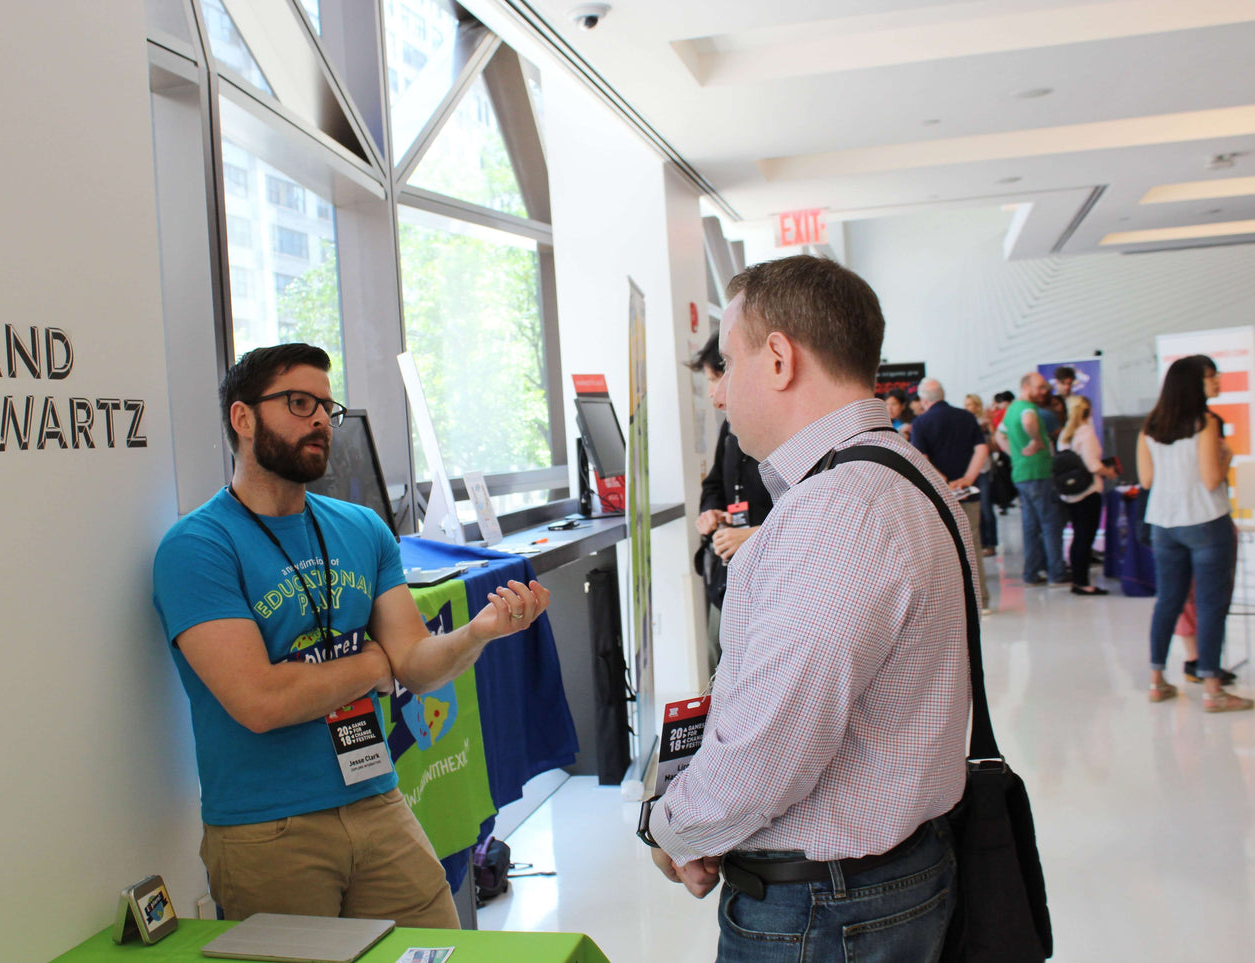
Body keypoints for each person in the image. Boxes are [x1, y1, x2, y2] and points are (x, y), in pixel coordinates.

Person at [151, 343, 551, 923]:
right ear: (242, 419)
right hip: (268, 828)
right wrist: (369, 667)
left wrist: (478, 632)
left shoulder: (360, 528)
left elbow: (412, 660)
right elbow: (260, 702)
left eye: (326, 407)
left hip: (376, 798)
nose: (320, 419)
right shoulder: (198, 548)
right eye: (298, 402)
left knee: (442, 945)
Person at [644, 255, 968, 963]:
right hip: (891, 879)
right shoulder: (910, 475)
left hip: (826, 911)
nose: (721, 394)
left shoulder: (839, 509)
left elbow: (773, 743)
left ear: (781, 357)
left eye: (728, 364)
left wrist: (676, 827)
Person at [1138, 355, 1252, 712]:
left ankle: (1157, 682)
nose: (1217, 381)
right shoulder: (1205, 423)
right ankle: (1213, 689)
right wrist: (1228, 457)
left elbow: (1146, 481)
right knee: (1210, 606)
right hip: (1205, 520)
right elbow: (1211, 478)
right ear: (1192, 384)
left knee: (1168, 602)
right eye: (1210, 376)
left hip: (1163, 523)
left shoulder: (1150, 427)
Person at [688, 333, 773, 676]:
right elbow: (713, 485)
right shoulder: (730, 428)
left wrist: (753, 534)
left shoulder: (779, 431)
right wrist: (710, 512)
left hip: (768, 580)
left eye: (713, 379)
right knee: (718, 666)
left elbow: (806, 512)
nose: (712, 392)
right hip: (726, 575)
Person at [910, 379, 992, 611]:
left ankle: (953, 607)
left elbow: (921, 458)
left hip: (939, 498)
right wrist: (967, 478)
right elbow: (982, 448)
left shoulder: (921, 422)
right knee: (973, 545)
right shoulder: (967, 417)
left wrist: (944, 481)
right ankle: (981, 601)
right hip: (969, 493)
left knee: (943, 551)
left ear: (924, 401)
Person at [997, 372, 1068, 587]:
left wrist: (1015, 455)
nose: (1044, 391)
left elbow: (999, 436)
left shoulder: (1011, 410)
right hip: (1037, 472)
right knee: (1050, 523)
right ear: (1026, 387)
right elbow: (1028, 420)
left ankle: (1031, 572)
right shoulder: (1028, 409)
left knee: (1030, 525)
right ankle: (1056, 573)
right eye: (1040, 387)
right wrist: (1037, 440)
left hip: (1021, 472)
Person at [1057, 396, 1115, 595]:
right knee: (1085, 537)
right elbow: (1093, 465)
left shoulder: (1065, 434)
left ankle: (1077, 579)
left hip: (1070, 493)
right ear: (1088, 411)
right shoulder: (1086, 433)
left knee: (1078, 536)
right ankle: (1083, 582)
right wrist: (1109, 472)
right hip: (1088, 491)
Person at [963, 392, 999, 556]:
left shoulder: (983, 424)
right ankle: (983, 542)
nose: (967, 407)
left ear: (977, 406)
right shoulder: (964, 423)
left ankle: (990, 542)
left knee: (985, 507)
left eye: (970, 404)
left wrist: (990, 428)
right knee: (977, 508)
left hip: (983, 469)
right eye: (966, 404)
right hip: (970, 470)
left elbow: (993, 446)